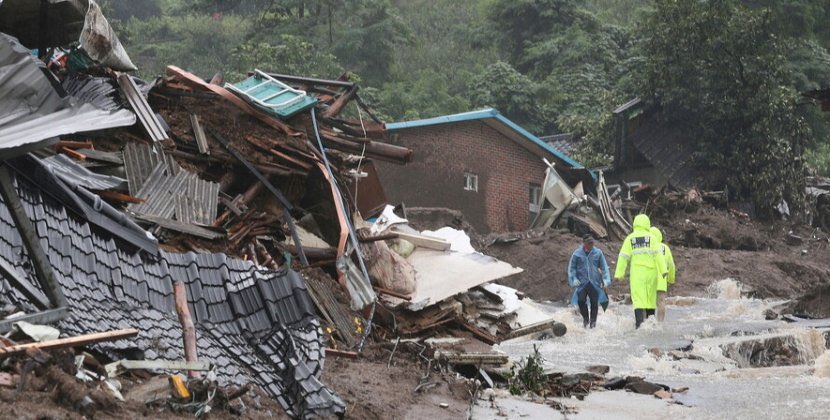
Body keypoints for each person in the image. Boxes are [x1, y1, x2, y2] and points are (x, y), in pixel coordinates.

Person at [614, 214, 667, 328]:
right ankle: (651, 324)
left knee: (638, 299)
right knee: (650, 298)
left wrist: (619, 274)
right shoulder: (652, 238)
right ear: (647, 224)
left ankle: (639, 325)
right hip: (651, 273)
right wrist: (663, 270)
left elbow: (623, 256)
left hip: (637, 274)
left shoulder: (630, 239)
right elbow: (659, 255)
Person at [568, 234, 611, 329]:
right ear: (584, 243)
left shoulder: (598, 253)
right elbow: (572, 268)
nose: (591, 245)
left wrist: (606, 280)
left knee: (594, 303)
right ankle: (586, 319)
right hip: (582, 283)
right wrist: (574, 279)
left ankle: (593, 323)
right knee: (581, 301)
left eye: (592, 243)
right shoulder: (577, 254)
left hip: (594, 283)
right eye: (589, 243)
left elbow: (604, 268)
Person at [650, 226, 676, 322]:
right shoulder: (665, 248)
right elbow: (671, 265)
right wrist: (671, 279)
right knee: (661, 303)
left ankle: (648, 322)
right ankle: (660, 322)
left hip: (648, 281)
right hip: (661, 281)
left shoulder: (647, 248)